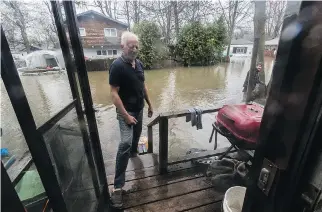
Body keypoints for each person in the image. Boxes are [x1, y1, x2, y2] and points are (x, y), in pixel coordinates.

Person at [109, 31, 153, 207]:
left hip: (139, 109)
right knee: (125, 143)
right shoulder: (117, 66)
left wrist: (149, 104)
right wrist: (126, 115)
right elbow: (113, 93)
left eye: (136, 46)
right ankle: (117, 187)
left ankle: (135, 154)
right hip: (125, 112)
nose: (134, 49)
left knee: (136, 138)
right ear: (122, 46)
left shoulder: (139, 64)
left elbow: (143, 85)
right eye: (131, 46)